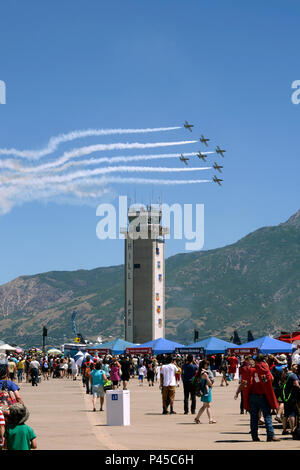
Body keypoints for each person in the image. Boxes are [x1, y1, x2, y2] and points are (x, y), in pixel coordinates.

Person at [235, 354, 279, 442]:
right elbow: (271, 379)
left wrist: (239, 392)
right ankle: (270, 435)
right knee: (267, 415)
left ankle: (254, 436)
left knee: (254, 417)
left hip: (252, 396)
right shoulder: (263, 369)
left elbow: (244, 383)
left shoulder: (249, 370)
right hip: (262, 395)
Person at [194, 359, 216, 424]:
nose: (208, 366)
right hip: (206, 391)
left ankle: (197, 418)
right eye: (207, 364)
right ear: (204, 365)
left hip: (203, 390)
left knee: (204, 406)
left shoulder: (200, 372)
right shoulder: (205, 373)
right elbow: (210, 383)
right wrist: (209, 381)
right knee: (208, 405)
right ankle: (210, 419)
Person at [281, 363, 300, 435]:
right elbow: (296, 385)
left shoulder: (285, 374)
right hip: (292, 396)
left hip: (286, 396)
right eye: (295, 366)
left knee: (286, 413)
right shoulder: (293, 376)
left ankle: (284, 429)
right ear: (291, 367)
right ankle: (292, 430)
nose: (297, 367)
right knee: (292, 413)